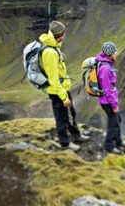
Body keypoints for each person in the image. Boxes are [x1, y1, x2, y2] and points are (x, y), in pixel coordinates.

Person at [41, 21, 89, 151]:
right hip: (57, 92)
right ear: (60, 34)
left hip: (63, 89)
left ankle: (76, 135)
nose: (65, 35)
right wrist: (64, 97)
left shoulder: (54, 47)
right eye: (64, 33)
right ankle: (65, 144)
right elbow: (53, 79)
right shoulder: (50, 53)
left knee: (70, 113)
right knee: (61, 117)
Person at [96, 42, 122, 154]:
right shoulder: (105, 68)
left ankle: (119, 141)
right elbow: (107, 89)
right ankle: (109, 146)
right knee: (114, 123)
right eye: (115, 51)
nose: (116, 53)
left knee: (117, 119)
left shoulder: (106, 64)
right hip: (108, 101)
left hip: (108, 100)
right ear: (110, 53)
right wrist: (114, 105)